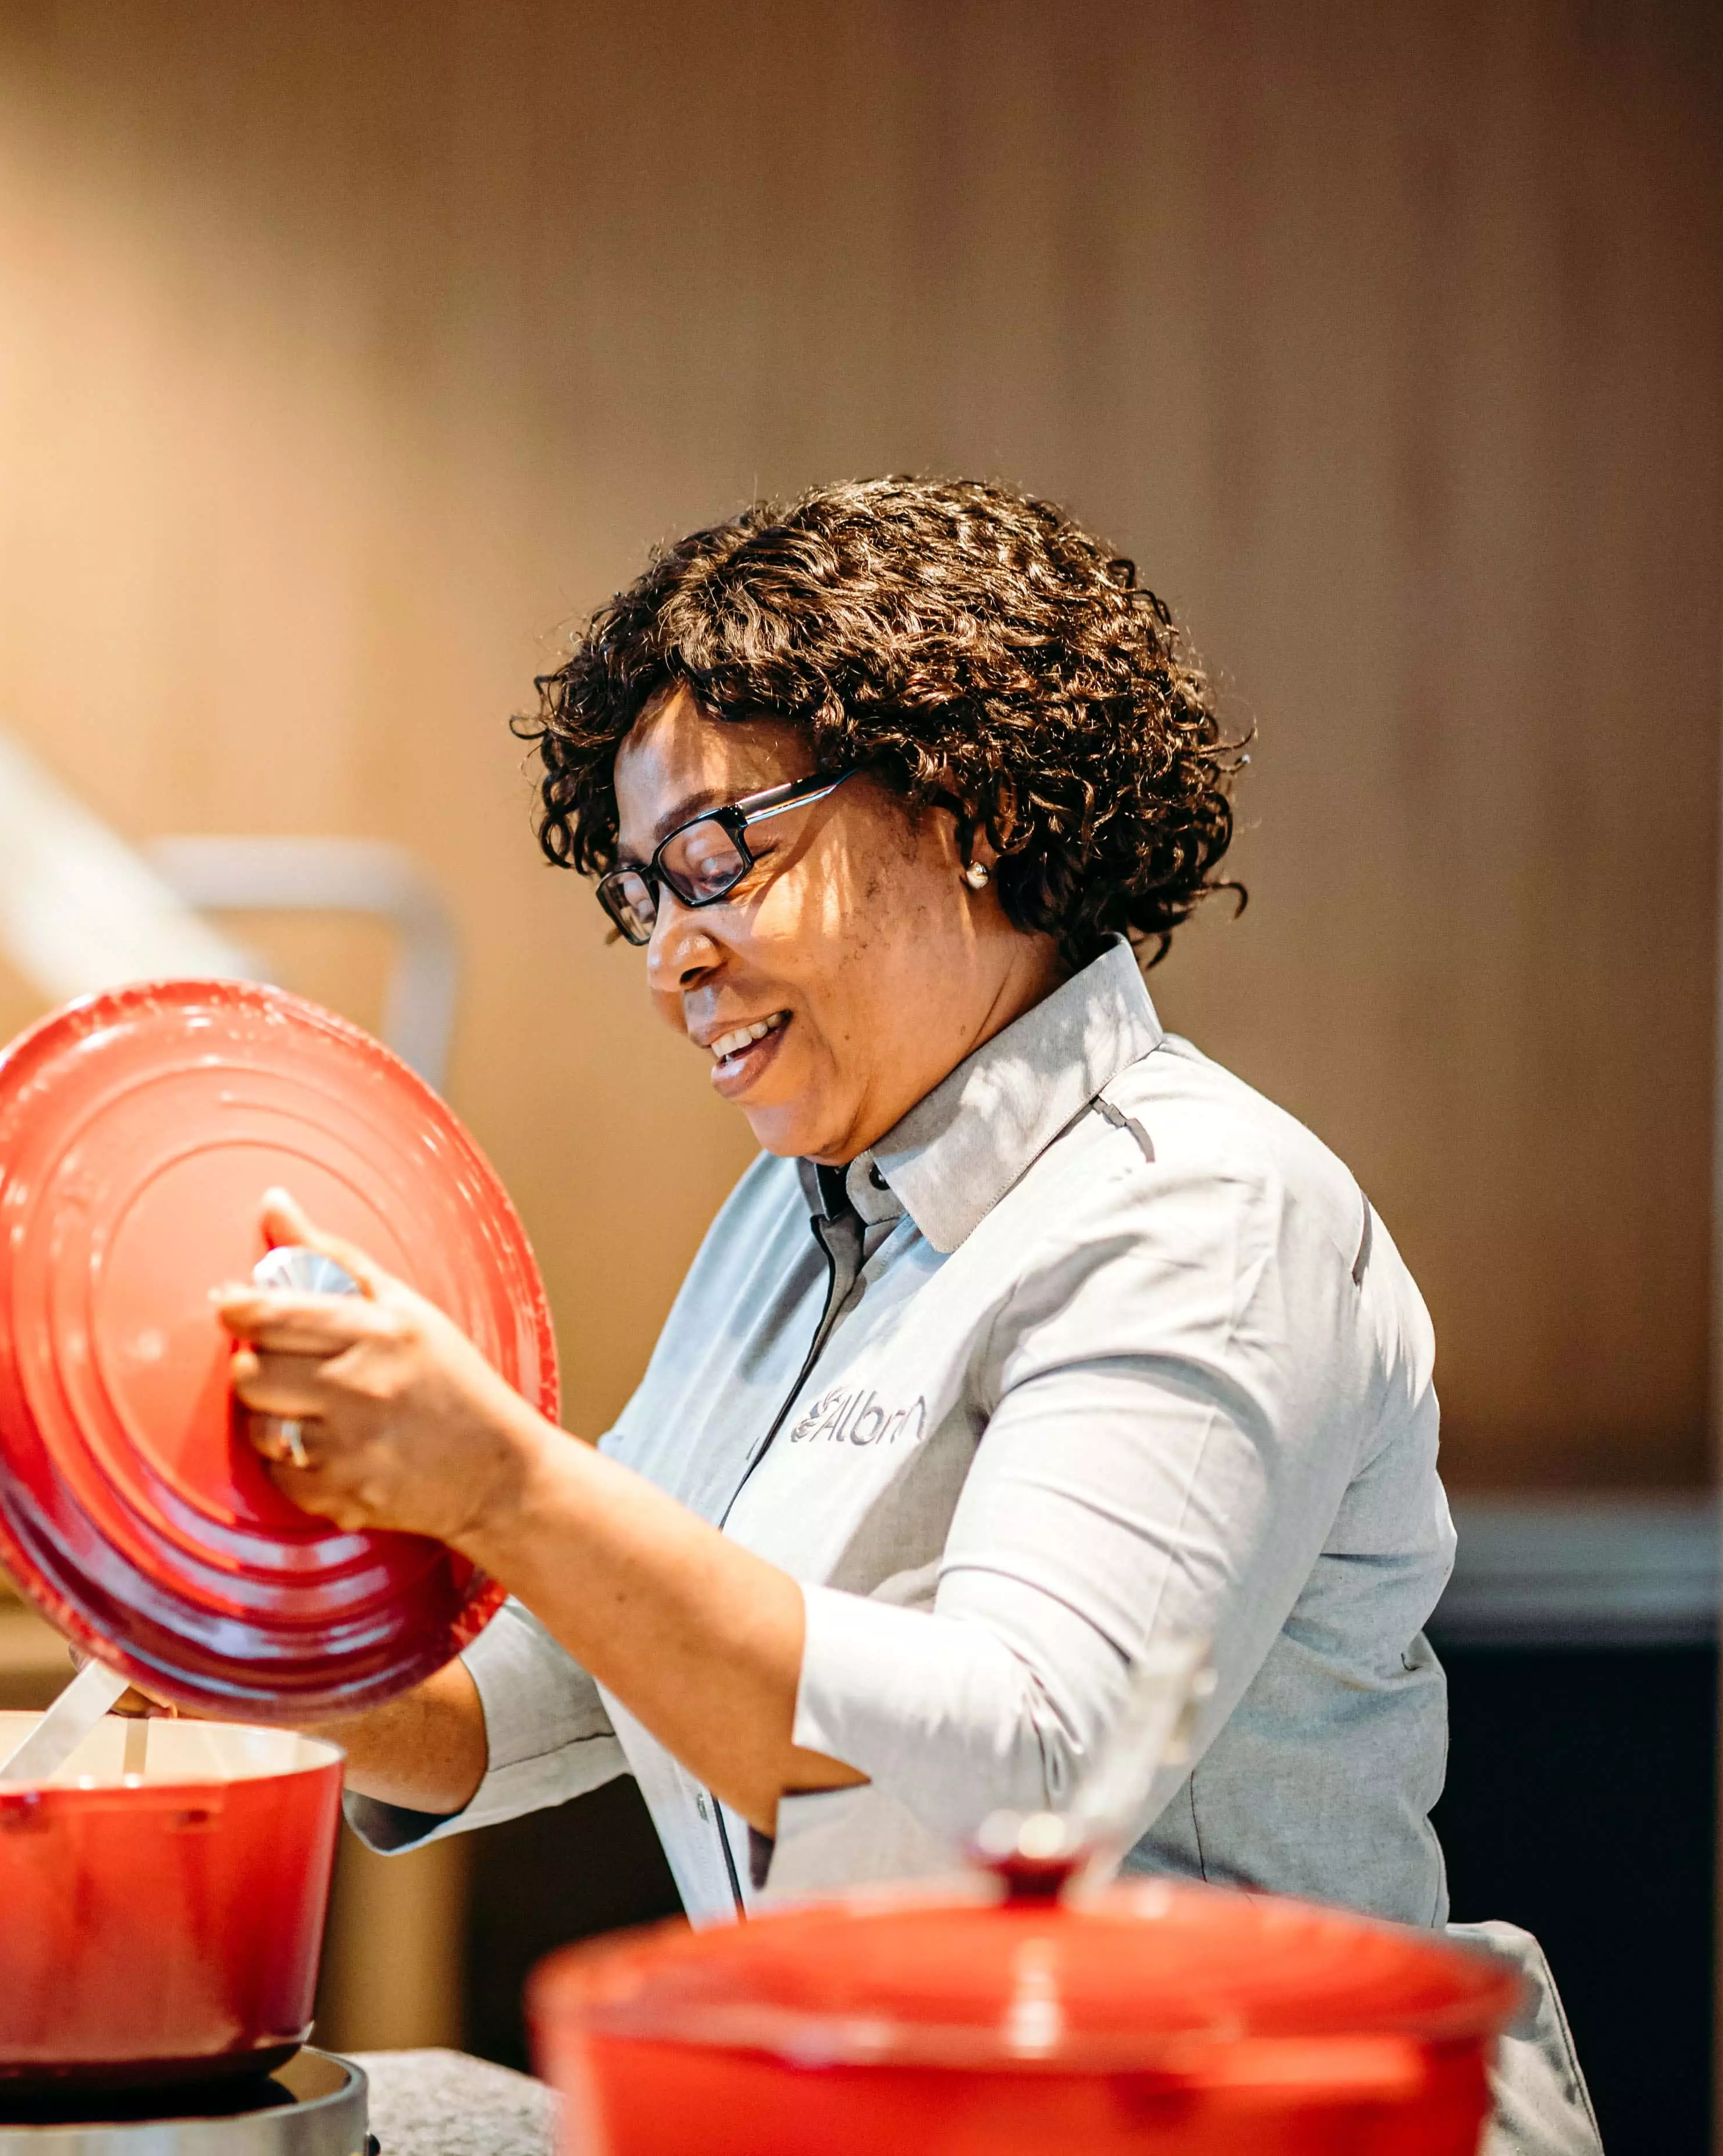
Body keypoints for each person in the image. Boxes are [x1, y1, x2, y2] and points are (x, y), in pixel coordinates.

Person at [214, 477, 1599, 2155]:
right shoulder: (796, 1220)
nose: (673, 962)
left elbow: (1023, 1786)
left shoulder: (1202, 1215)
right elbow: (538, 1693)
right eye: (643, 894)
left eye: (718, 859)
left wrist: (499, 1482)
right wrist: (210, 1625)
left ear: (976, 809)